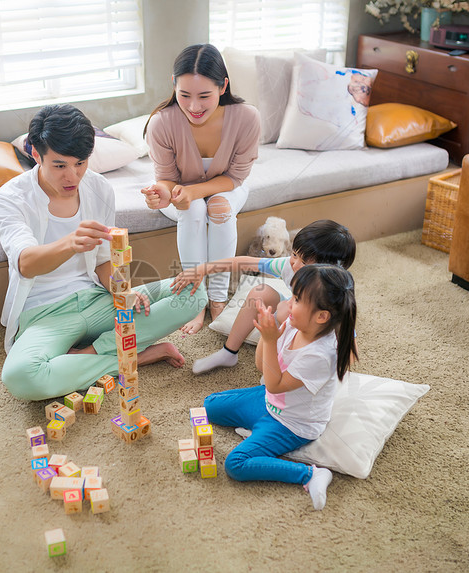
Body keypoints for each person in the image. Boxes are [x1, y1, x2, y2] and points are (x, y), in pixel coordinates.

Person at [0, 104, 207, 401]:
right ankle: (137, 355)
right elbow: (25, 264)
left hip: (97, 299)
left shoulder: (98, 187)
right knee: (21, 377)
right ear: (36, 155)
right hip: (45, 313)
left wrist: (124, 293)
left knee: (195, 292)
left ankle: (94, 352)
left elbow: (105, 261)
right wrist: (70, 242)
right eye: (60, 165)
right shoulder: (10, 198)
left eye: (81, 163)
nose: (73, 176)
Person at [202, 264, 358, 510]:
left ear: (321, 316)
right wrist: (269, 333)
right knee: (209, 406)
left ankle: (310, 474)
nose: (289, 302)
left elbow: (274, 385)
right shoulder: (296, 325)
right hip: (269, 402)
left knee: (236, 464)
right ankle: (256, 430)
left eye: (296, 299)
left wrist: (271, 338)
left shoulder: (320, 355)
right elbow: (262, 369)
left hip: (292, 424)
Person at [142, 43, 261, 335]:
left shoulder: (247, 117)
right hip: (183, 196)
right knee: (194, 208)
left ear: (223, 87)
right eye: (184, 95)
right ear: (174, 85)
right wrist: (161, 194)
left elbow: (236, 176)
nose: (194, 106)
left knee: (217, 206)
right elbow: (168, 179)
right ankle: (194, 301)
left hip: (229, 187)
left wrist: (195, 191)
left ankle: (218, 299)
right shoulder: (162, 123)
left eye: (204, 96)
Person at [170, 219, 355, 374]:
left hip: (314, 329)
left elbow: (347, 336)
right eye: (294, 255)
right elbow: (244, 262)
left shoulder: (335, 292)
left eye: (305, 262)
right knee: (261, 292)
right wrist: (202, 269)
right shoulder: (288, 266)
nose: (295, 264)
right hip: (295, 314)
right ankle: (228, 352)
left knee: (285, 313)